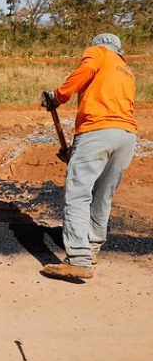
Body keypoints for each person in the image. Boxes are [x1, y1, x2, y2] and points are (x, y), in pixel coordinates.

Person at [40, 33, 137, 280]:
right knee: (103, 195)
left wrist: (58, 95)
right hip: (126, 136)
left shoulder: (99, 53)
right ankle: (92, 249)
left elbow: (86, 70)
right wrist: (75, 153)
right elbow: (112, 109)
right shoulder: (125, 70)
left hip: (97, 130)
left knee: (78, 194)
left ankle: (79, 259)